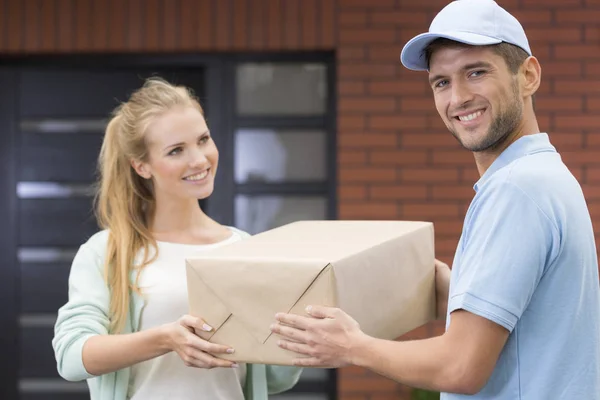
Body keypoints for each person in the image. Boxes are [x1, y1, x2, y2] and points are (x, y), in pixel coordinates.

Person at [269, 0, 600, 398]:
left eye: (475, 73)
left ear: (527, 76)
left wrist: (353, 346)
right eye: (441, 82)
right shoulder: (546, 176)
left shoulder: (516, 189)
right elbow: (533, 325)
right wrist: (452, 287)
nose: (457, 98)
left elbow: (460, 367)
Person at [52, 77, 302, 400]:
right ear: (142, 166)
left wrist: (292, 328)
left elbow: (274, 377)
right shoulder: (108, 252)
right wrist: (166, 340)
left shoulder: (246, 248)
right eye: (176, 151)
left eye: (203, 139)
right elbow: (71, 356)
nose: (199, 160)